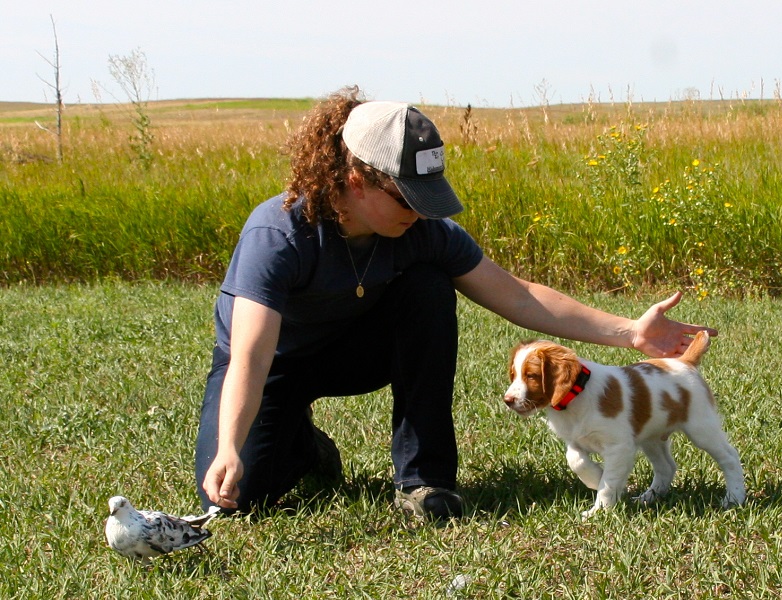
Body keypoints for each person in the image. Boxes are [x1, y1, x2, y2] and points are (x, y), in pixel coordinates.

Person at [194, 86, 717, 520]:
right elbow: (252, 357)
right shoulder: (279, 232)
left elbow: (520, 295)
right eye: (406, 199)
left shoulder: (422, 234)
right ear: (354, 179)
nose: (419, 214)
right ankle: (305, 447)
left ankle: (425, 481)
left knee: (427, 286)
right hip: (276, 367)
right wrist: (231, 449)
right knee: (242, 496)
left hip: (359, 353)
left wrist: (629, 333)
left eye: (427, 199)